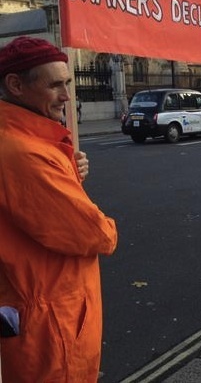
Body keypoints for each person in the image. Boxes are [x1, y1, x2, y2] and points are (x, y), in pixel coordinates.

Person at [0, 36, 118, 382]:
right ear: (16, 85)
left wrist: (67, 168)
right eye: (55, 85)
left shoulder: (28, 141)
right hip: (52, 323)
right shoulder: (23, 153)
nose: (67, 96)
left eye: (67, 82)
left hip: (49, 311)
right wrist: (107, 224)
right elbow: (95, 233)